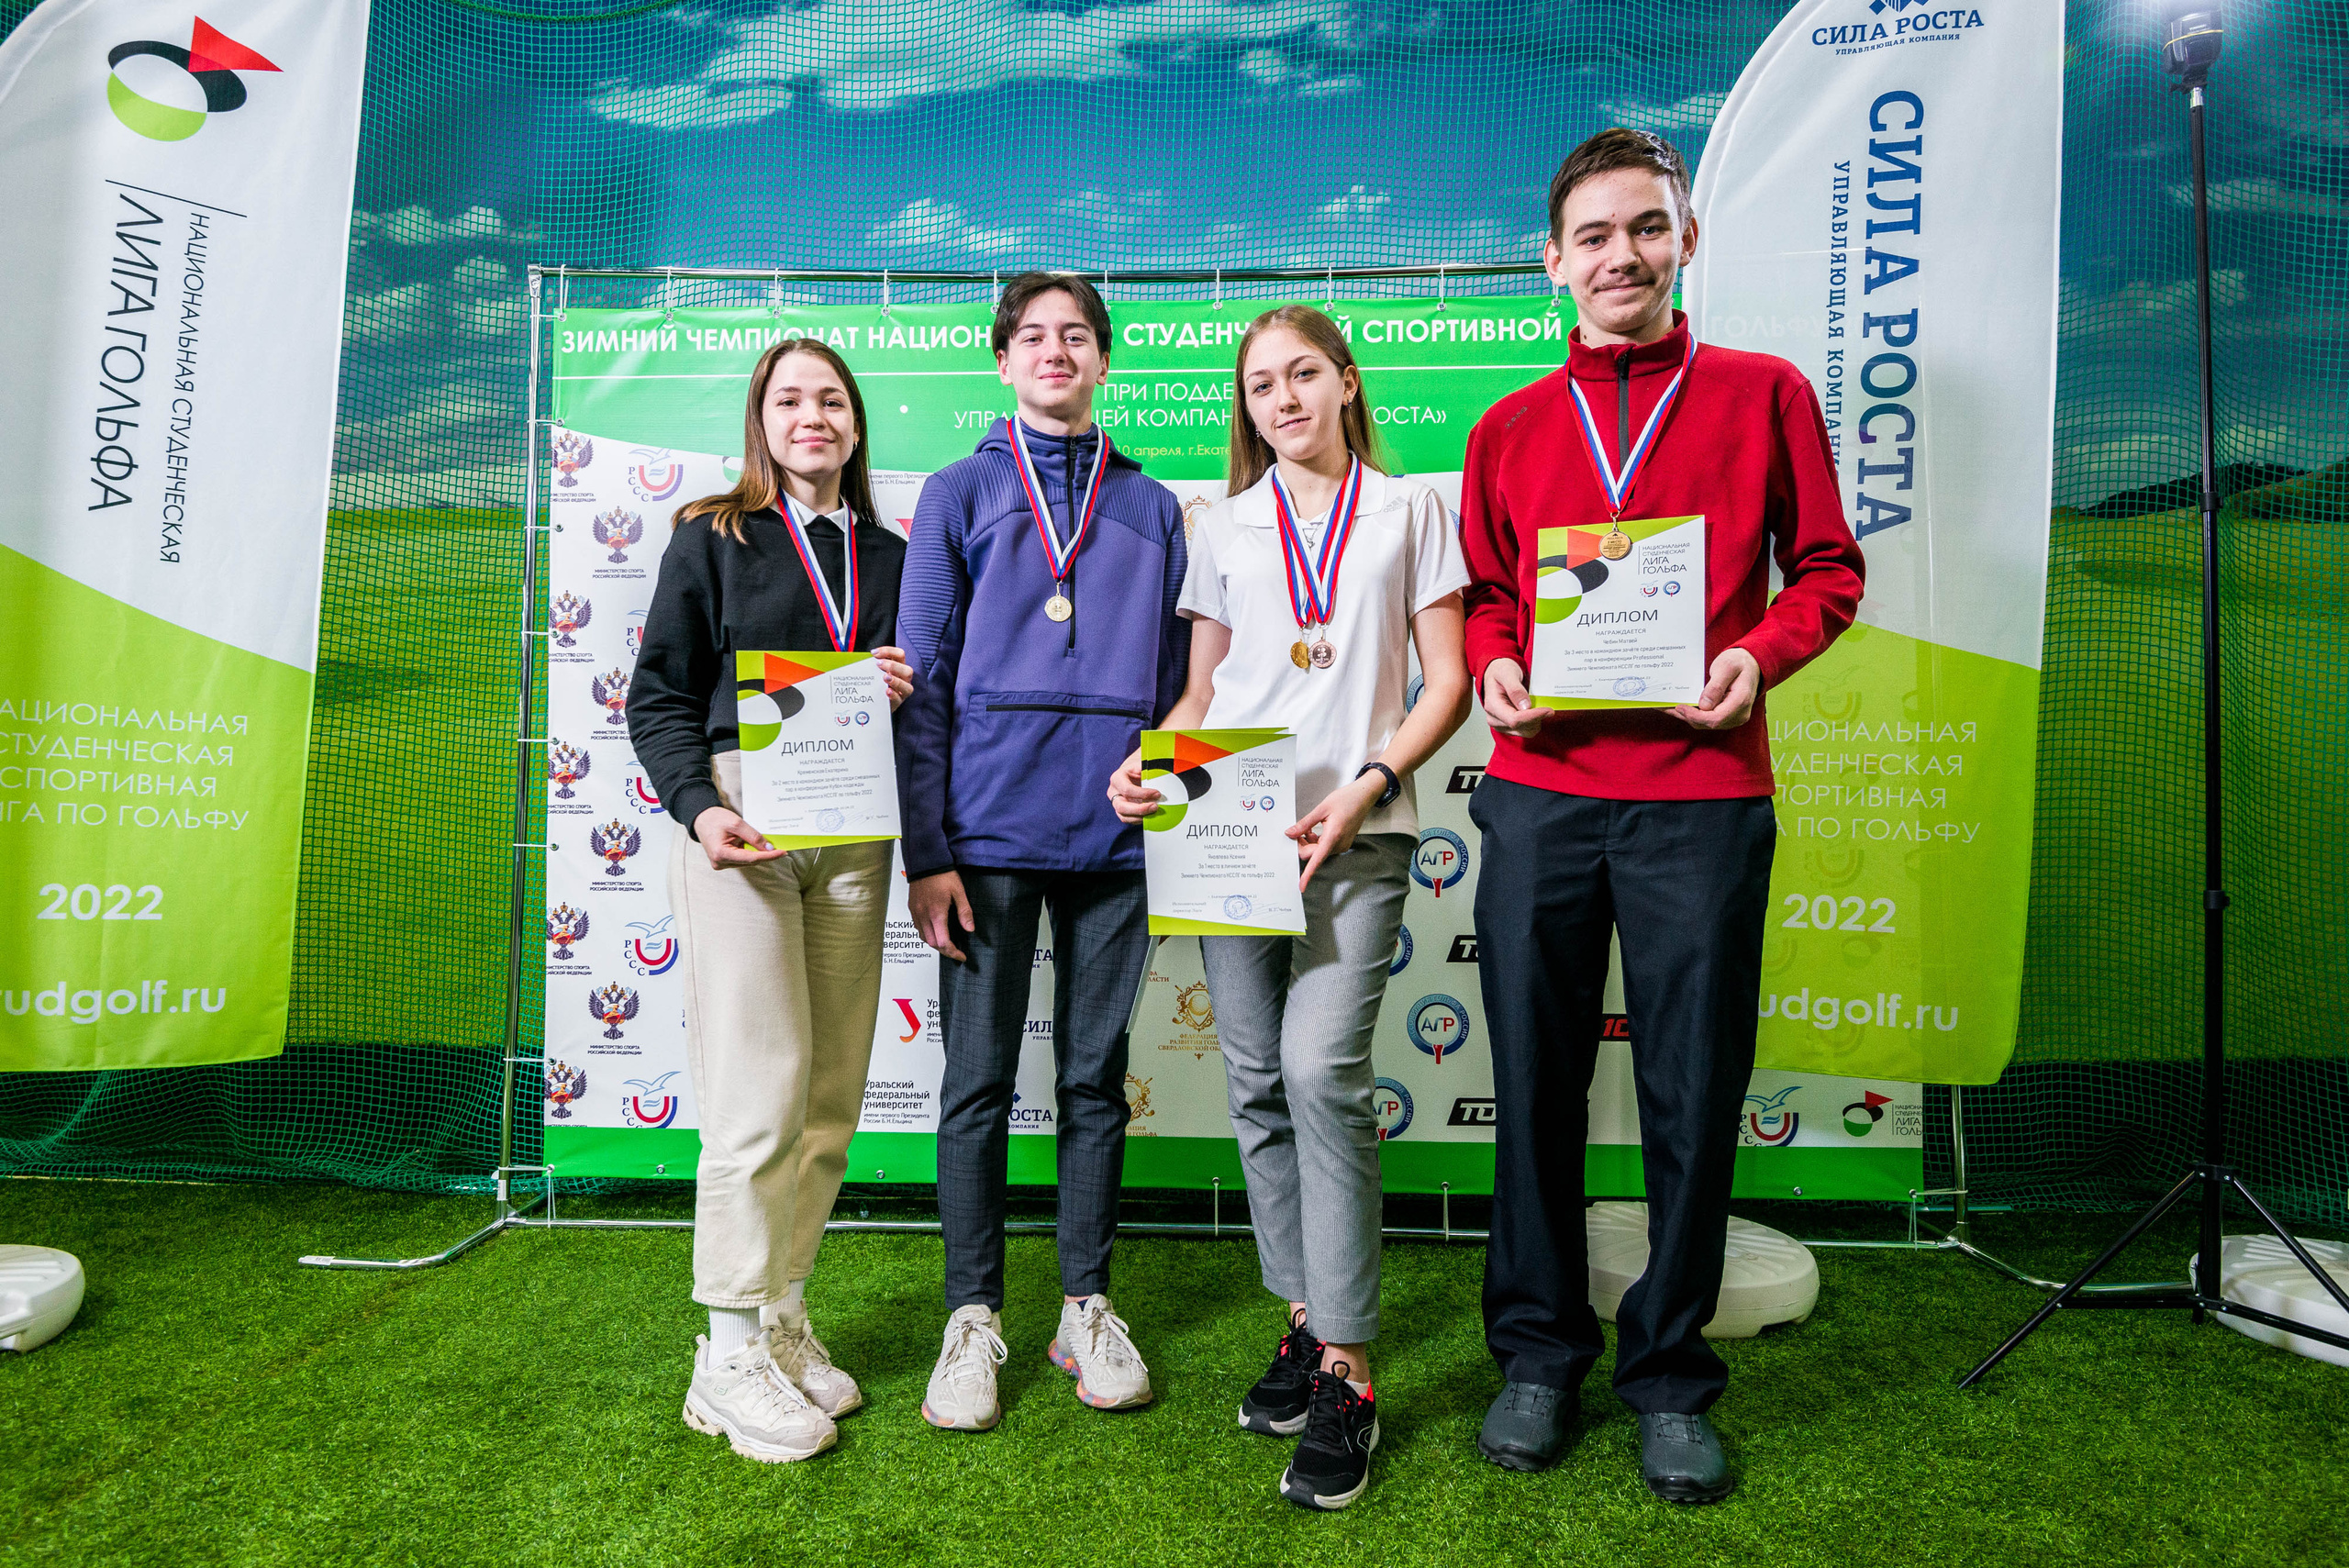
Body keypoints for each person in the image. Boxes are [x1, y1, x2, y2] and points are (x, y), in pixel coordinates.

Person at [1458, 128, 1865, 1502]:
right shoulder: (1508, 426)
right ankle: (1535, 1351)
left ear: (1683, 238)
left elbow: (1825, 569)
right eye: (1593, 235)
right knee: (1535, 1094)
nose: (1619, 255)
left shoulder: (1763, 393)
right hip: (1542, 798)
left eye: (1646, 228)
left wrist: (1759, 655)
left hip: (1702, 797)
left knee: (1697, 1093)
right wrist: (1493, 666)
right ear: (1552, 259)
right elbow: (1494, 597)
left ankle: (1672, 1373)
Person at [1109, 306, 1471, 1509]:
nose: (1281, 398)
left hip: (1358, 832)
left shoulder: (1414, 509)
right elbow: (1204, 686)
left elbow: (1450, 678)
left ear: (1347, 381)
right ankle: (1308, 1320)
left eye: (1302, 373)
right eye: (1260, 383)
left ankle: (1353, 1374)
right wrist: (1152, 763)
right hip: (1227, 833)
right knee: (1258, 1078)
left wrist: (1371, 783)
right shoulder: (1222, 524)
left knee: (1323, 1072)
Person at [895, 272, 1190, 1430]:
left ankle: (1085, 1304)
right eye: (1032, 336)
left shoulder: (1156, 507)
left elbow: (1176, 687)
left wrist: (1166, 802)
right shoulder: (959, 491)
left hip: (1117, 844)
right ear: (1003, 362)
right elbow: (916, 684)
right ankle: (971, 1316)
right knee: (973, 1086)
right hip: (985, 838)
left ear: (1104, 360)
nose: (1054, 349)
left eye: (1075, 334)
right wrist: (929, 849)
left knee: (1090, 1085)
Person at [626, 338, 916, 1464]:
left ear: (855, 422)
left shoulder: (891, 553)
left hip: (855, 824)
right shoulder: (713, 532)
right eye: (789, 399)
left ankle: (784, 1307)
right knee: (757, 1090)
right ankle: (726, 1347)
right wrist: (700, 807)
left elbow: (920, 700)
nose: (813, 416)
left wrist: (896, 679)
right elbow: (655, 696)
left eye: (831, 399)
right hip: (743, 822)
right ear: (761, 418)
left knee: (831, 1090)